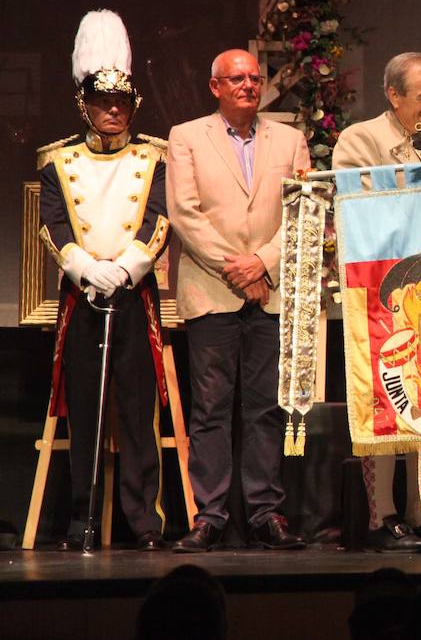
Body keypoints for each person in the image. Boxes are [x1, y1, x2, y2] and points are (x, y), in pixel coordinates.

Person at [166, 49, 310, 552]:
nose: (249, 85)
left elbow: (303, 214)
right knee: (211, 408)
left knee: (266, 408)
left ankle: (266, 513)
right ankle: (210, 516)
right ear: (216, 87)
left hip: (269, 291)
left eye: (255, 77)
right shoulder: (187, 137)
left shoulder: (290, 139)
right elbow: (184, 214)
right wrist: (237, 267)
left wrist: (263, 263)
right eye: (237, 78)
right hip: (212, 290)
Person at [37, 10, 170, 551]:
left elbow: (158, 219)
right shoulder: (58, 160)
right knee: (86, 409)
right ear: (84, 106)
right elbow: (53, 224)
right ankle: (81, 518)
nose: (112, 112)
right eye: (102, 103)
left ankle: (145, 523)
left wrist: (126, 267)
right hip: (84, 293)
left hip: (134, 292)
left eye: (121, 103)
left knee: (139, 410)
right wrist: (86, 268)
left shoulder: (154, 156)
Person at [332, 52, 421, 552]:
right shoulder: (361, 141)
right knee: (385, 403)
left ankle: (420, 511)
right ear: (394, 96)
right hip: (379, 295)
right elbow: (354, 211)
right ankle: (382, 516)